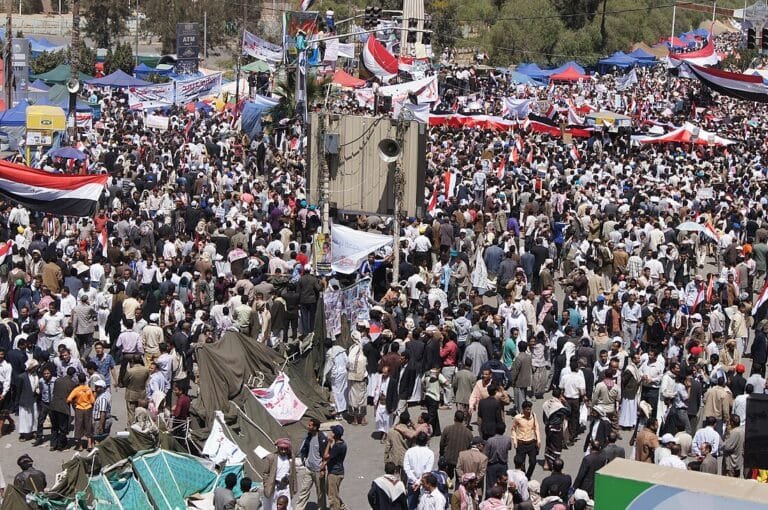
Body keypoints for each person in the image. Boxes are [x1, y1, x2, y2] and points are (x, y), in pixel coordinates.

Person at [295, 418, 327, 510]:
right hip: (309, 469)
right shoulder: (308, 437)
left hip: (318, 470)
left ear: (315, 427)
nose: (308, 426)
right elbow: (304, 449)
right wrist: (304, 461)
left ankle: (321, 508)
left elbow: (326, 455)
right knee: (304, 491)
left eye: (310, 425)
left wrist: (323, 469)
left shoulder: (322, 439)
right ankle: (299, 508)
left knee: (320, 493)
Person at [262, 438, 297, 510]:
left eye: (285, 449)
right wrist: (266, 486)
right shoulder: (271, 457)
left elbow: (293, 473)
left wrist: (294, 487)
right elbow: (266, 473)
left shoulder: (291, 457)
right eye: (281, 449)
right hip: (274, 487)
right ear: (277, 448)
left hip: (286, 487)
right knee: (273, 506)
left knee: (287, 506)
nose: (283, 451)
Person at [510, 400, 541, 479]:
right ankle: (523, 478)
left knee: (533, 462)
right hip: (521, 443)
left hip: (531, 443)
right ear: (523, 409)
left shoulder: (533, 416)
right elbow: (513, 429)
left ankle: (528, 476)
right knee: (521, 463)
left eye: (530, 409)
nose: (529, 411)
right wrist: (515, 441)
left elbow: (536, 428)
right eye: (527, 409)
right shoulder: (517, 418)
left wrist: (538, 439)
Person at [403, 432, 435, 509]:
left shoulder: (409, 451)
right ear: (426, 441)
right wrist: (419, 481)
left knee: (411, 505)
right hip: (425, 484)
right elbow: (428, 470)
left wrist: (415, 481)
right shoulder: (430, 453)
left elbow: (406, 468)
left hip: (412, 483)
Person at [439, 410, 473, 481]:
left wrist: (441, 454)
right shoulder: (468, 432)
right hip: (461, 460)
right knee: (459, 480)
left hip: (448, 459)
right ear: (463, 419)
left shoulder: (447, 429)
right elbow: (470, 448)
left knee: (447, 479)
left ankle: (446, 491)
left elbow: (442, 444)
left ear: (454, 418)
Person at [67, 372, 95, 451]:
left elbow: (69, 399)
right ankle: (89, 444)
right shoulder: (88, 389)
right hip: (88, 408)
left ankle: (80, 446)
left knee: (79, 426)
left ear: (78, 380)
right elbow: (92, 401)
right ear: (85, 380)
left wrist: (75, 402)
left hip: (79, 408)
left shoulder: (76, 390)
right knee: (88, 425)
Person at [483, 422, 511, 498]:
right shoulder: (508, 439)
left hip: (492, 465)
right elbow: (509, 448)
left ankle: (489, 501)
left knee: (490, 485)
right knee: (503, 484)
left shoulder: (490, 440)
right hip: (503, 465)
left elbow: (485, 454)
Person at [323, 424, 347, 510]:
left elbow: (326, 456)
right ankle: (343, 507)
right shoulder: (342, 443)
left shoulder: (337, 446)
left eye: (332, 432)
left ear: (335, 435)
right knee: (331, 492)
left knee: (333, 497)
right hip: (337, 472)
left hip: (334, 473)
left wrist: (329, 442)